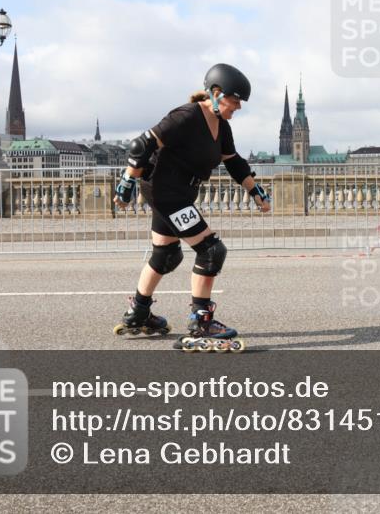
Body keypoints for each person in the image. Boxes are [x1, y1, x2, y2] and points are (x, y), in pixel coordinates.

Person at [112, 63, 271, 352]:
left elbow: (234, 162)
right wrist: (127, 181)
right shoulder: (186, 116)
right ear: (216, 93)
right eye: (236, 100)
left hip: (180, 193)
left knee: (166, 255)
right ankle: (201, 321)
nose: (239, 107)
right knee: (211, 251)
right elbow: (142, 144)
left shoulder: (221, 126)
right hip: (166, 192)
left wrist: (255, 190)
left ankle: (139, 311)